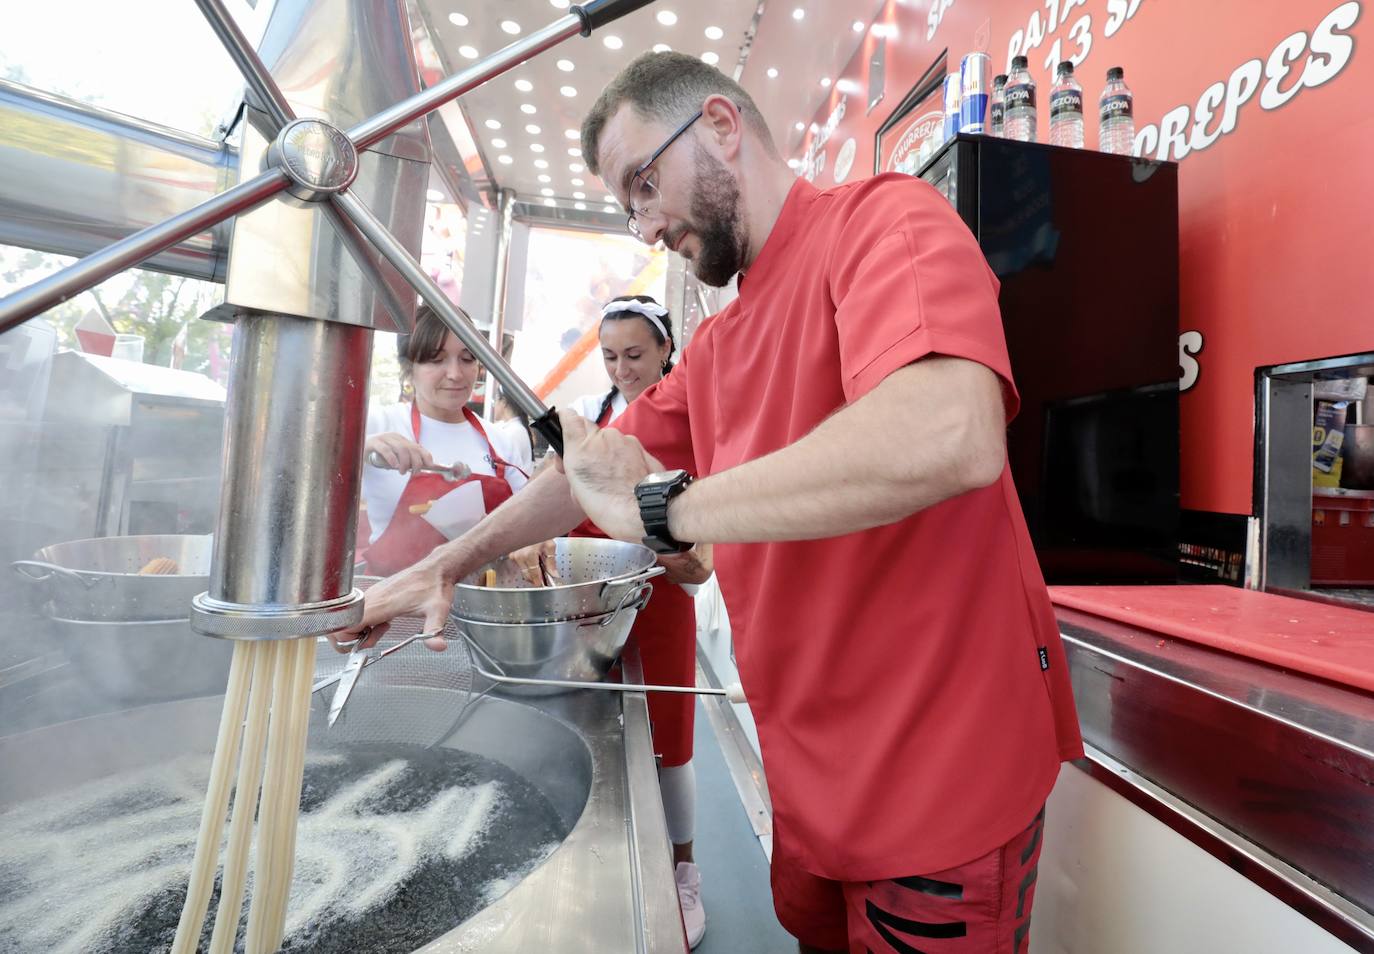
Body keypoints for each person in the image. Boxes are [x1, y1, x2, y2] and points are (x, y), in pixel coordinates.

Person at [341, 52, 1083, 954]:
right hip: (810, 774)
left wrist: (667, 512)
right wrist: (437, 568)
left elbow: (946, 432)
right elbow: (584, 474)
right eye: (629, 205)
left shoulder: (885, 222)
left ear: (723, 126)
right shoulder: (722, 343)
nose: (647, 225)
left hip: (938, 776)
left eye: (646, 184)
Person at [525, 293, 711, 947]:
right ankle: (599, 852)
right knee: (596, 737)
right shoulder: (591, 418)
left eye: (635, 355)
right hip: (589, 602)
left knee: (668, 743)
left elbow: (699, 544)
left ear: (667, 349)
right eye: (609, 357)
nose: (622, 369)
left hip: (660, 601)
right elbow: (553, 491)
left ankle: (684, 867)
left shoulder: (694, 419)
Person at [360, 304, 531, 576]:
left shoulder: (501, 441)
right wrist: (363, 447)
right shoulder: (377, 424)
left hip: (479, 606)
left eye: (467, 358)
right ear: (408, 367)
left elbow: (529, 523)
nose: (455, 374)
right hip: (397, 608)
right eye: (436, 359)